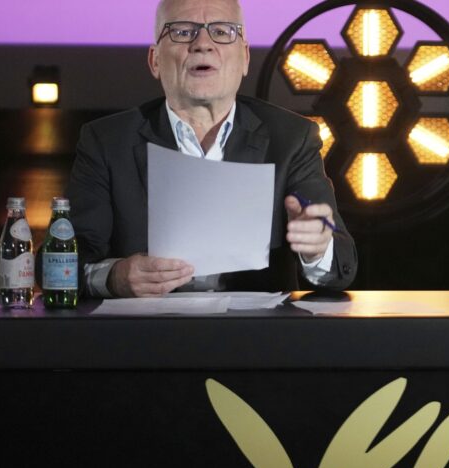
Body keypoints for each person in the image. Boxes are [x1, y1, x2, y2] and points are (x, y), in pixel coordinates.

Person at [67, 0, 356, 297]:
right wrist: (114, 278)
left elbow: (340, 267)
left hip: (256, 327)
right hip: (147, 325)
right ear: (155, 61)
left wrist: (316, 249)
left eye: (221, 31)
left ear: (245, 58)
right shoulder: (107, 142)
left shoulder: (292, 138)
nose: (203, 44)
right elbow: (61, 260)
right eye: (182, 32)